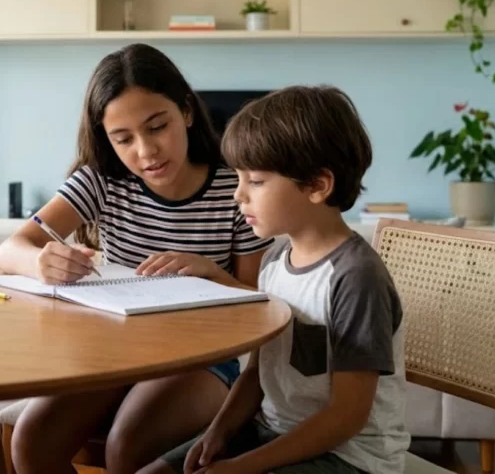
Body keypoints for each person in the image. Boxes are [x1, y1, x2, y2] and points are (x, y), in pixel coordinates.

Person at [0, 43, 272, 474]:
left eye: (157, 126)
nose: (146, 151)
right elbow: (11, 247)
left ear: (186, 111)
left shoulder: (234, 188)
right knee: (32, 443)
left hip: (202, 358)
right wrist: (41, 261)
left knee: (127, 446)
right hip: (115, 350)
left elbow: (258, 304)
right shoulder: (102, 181)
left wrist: (210, 274)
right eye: (123, 139)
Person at [144, 85, 409, 474]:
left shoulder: (356, 278)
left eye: (255, 181)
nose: (238, 195)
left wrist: (242, 466)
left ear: (317, 185)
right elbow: (257, 372)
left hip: (349, 456)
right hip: (271, 430)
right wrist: (218, 431)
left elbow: (346, 417)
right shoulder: (273, 261)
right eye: (238, 178)